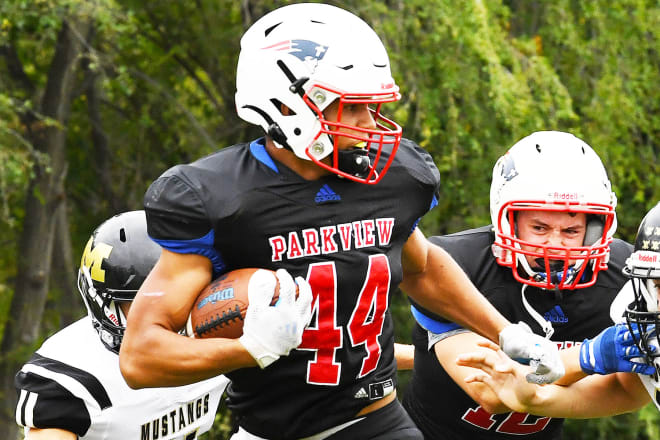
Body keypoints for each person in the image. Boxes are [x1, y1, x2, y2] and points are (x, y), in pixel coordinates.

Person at [118, 4, 563, 440]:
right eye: (352, 108)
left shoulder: (393, 177)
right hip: (269, 431)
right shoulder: (216, 197)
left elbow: (421, 268)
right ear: (287, 106)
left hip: (375, 421)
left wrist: (506, 333)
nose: (370, 124)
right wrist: (248, 349)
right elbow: (140, 359)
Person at [402, 131, 633, 439]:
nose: (555, 244)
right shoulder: (455, 264)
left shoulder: (624, 274)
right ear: (507, 220)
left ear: (595, 229)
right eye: (539, 227)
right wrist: (593, 356)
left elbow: (629, 393)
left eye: (571, 230)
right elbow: (492, 393)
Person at [14, 211, 229, 439]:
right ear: (102, 303)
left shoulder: (219, 331)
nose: (163, 313)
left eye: (175, 296)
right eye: (142, 302)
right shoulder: (70, 376)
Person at [456, 201, 660, 417]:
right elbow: (625, 391)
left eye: (571, 231)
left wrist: (587, 357)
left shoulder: (616, 276)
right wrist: (586, 358)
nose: (555, 245)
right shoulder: (466, 264)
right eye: (658, 285)